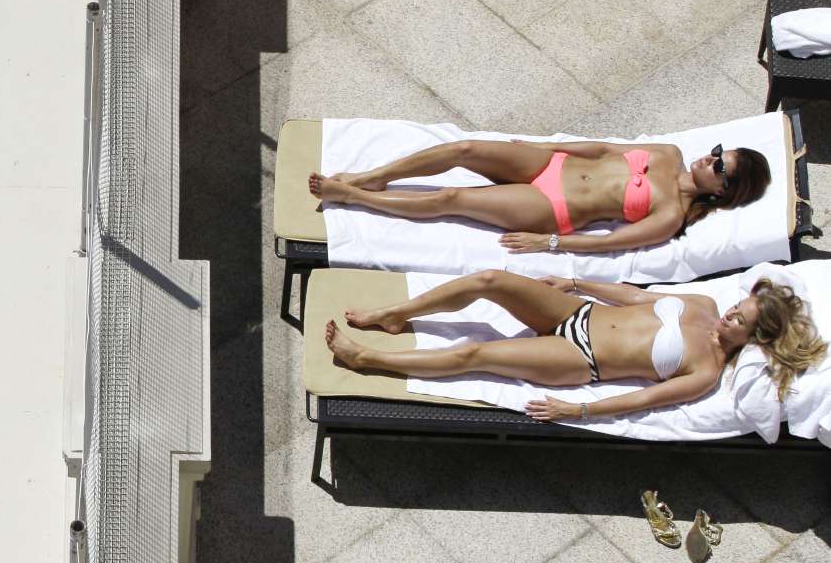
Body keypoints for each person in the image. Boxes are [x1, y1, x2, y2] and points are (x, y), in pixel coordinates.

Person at [324, 270, 825, 420]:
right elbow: (638, 296)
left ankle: (366, 358)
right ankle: (395, 315)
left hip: (578, 360)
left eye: (744, 319)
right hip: (577, 313)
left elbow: (646, 399)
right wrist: (580, 282)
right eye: (741, 306)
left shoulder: (707, 370)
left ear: (754, 339)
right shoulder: (700, 305)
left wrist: (577, 411)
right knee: (491, 280)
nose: (733, 312)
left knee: (477, 355)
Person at [308, 138, 770, 253]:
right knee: (464, 151)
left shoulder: (671, 214)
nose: (709, 160)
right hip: (554, 166)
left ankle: (351, 196)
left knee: (454, 197)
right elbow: (605, 148)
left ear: (725, 192)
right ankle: (373, 176)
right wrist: (547, 149)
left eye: (719, 166)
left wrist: (546, 243)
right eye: (715, 153)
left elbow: (609, 243)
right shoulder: (668, 152)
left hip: (556, 209)